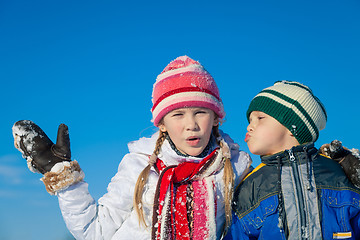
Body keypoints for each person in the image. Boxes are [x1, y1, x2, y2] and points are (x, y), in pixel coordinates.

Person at [12, 56, 252, 240]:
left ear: (216, 117)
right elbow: (95, 230)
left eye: (200, 112)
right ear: (162, 124)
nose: (192, 125)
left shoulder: (235, 167)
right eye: (178, 114)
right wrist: (64, 177)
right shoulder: (140, 165)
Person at [225, 80, 360, 240]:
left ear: (292, 127)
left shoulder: (338, 173)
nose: (249, 126)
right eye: (250, 121)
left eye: (260, 118)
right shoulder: (250, 185)